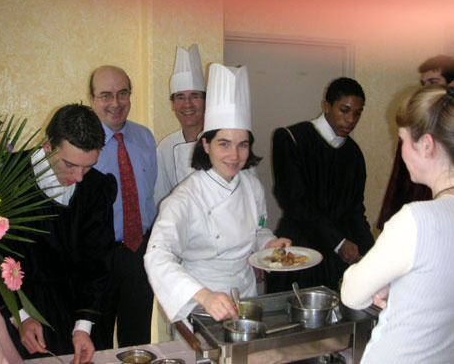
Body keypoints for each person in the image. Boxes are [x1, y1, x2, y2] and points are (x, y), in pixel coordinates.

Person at [144, 64, 290, 323]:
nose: (235, 156)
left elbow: (258, 230)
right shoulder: (184, 198)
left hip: (246, 297)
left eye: (242, 145)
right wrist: (204, 296)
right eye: (224, 144)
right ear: (206, 144)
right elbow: (157, 256)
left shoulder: (252, 186)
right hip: (202, 305)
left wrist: (269, 244)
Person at [0, 104, 117, 363]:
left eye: (88, 167)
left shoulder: (97, 189)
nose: (79, 177)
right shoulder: (5, 176)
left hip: (78, 305)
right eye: (70, 165)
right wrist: (19, 316)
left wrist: (83, 326)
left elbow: (97, 264)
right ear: (47, 145)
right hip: (17, 303)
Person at [341, 85, 454, 363]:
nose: (400, 150)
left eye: (402, 139)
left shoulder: (416, 220)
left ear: (426, 145)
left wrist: (384, 283)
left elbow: (352, 294)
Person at [266, 77, 374, 293]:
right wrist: (339, 242)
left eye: (357, 113)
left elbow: (355, 209)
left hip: (336, 259)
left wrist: (372, 253)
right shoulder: (291, 139)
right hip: (298, 251)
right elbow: (295, 203)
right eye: (344, 110)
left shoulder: (353, 153)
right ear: (327, 106)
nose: (351, 119)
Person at [89, 65, 157, 347]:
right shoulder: (82, 143)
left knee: (137, 339)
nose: (115, 103)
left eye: (122, 93)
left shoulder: (145, 137)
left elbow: (149, 193)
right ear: (92, 99)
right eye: (106, 95)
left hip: (139, 253)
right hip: (97, 258)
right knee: (96, 339)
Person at [376, 55, 454, 229]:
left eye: (433, 82)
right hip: (417, 212)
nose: (425, 90)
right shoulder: (414, 124)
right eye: (423, 84)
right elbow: (398, 180)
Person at [154, 44, 206, 205]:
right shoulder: (165, 147)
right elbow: (160, 198)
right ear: (173, 104)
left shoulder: (223, 141)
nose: (187, 104)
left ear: (205, 101)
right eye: (180, 97)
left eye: (195, 96)